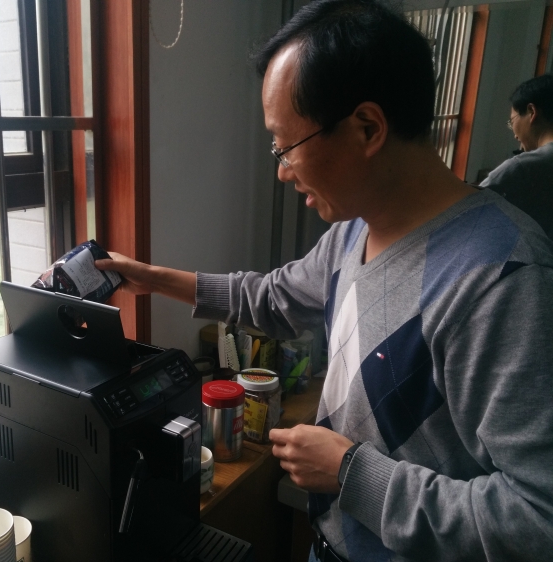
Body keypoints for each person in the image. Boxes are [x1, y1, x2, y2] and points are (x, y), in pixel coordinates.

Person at [96, 1, 553, 560]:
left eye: (286, 146)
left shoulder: (504, 280)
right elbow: (271, 297)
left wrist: (350, 473)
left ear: (367, 128)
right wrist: (149, 278)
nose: (282, 170)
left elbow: (538, 518)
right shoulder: (353, 231)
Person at [480, 74, 553, 237]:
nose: (515, 135)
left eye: (512, 122)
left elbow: (468, 206)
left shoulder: (522, 168)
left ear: (532, 112)